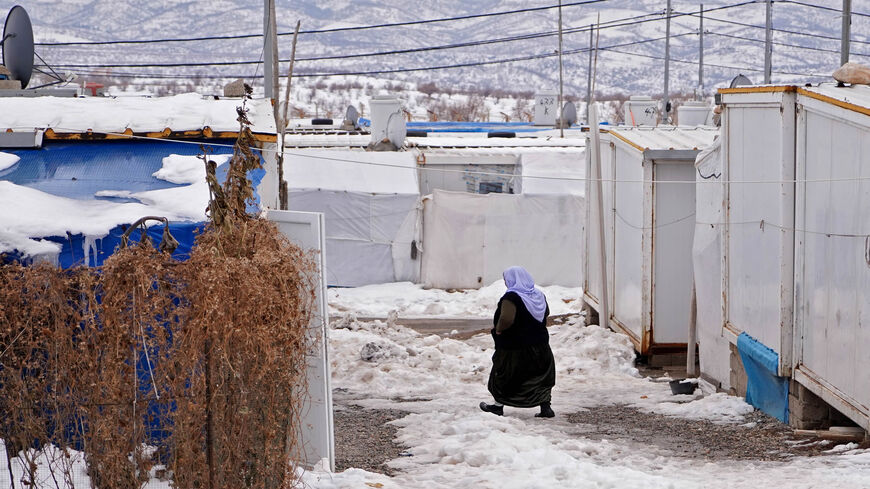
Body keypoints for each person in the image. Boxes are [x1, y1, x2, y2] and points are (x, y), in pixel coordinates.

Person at [480, 266, 556, 418]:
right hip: (540, 345)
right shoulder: (538, 295)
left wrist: (499, 329)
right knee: (539, 376)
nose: (506, 282)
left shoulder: (512, 297)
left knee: (505, 374)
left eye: (506, 279)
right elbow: (546, 312)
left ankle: (497, 406)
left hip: (515, 347)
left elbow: (507, 318)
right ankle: (546, 408)